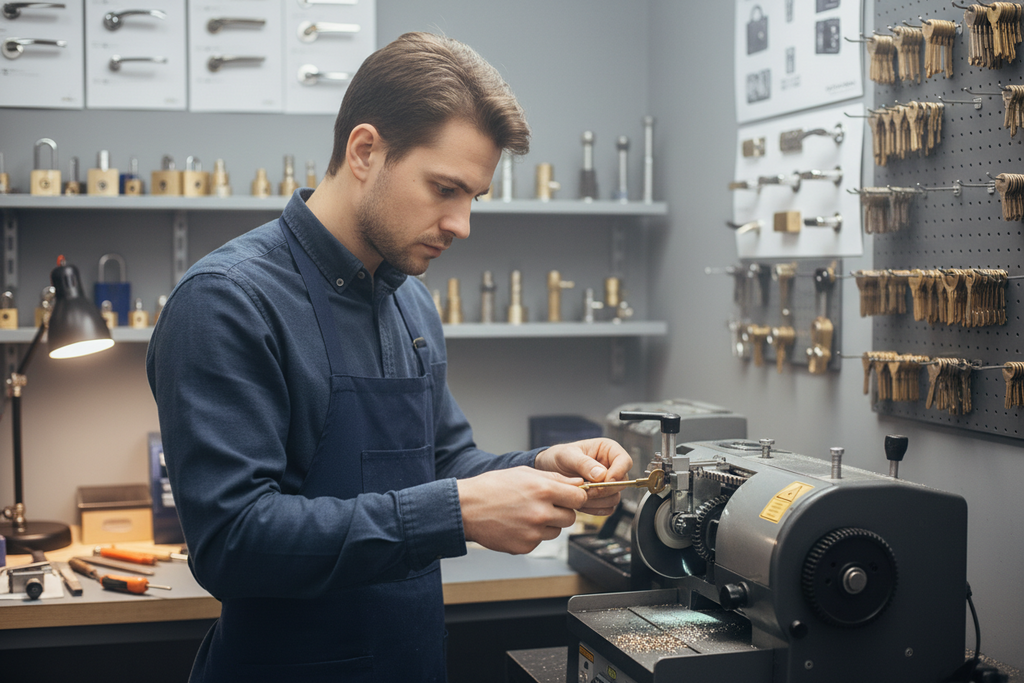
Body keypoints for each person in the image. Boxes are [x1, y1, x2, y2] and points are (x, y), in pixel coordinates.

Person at [146, 32, 632, 682]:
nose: (461, 224)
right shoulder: (228, 301)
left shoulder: (410, 303)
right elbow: (232, 541)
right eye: (444, 189)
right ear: (365, 151)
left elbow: (444, 460)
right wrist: (457, 512)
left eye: (473, 198)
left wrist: (542, 467)